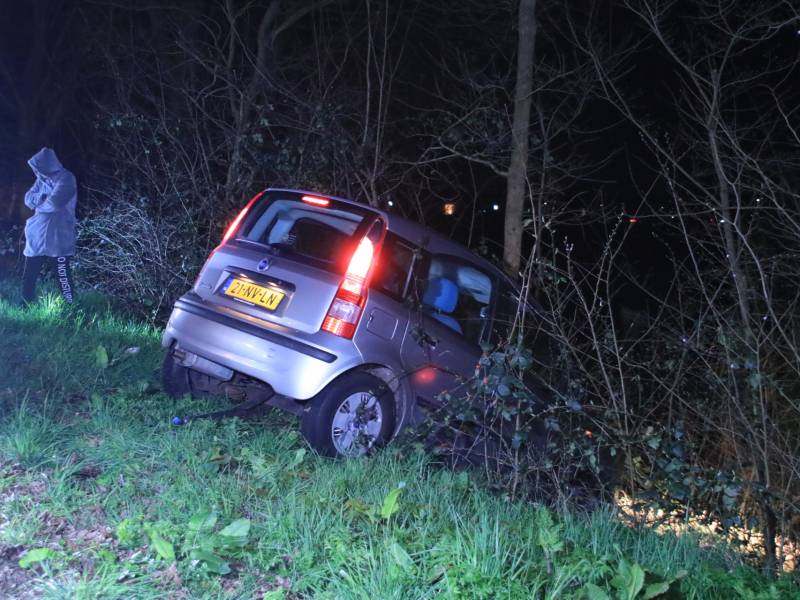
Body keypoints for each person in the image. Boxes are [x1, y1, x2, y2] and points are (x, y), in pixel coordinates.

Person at [22, 147, 77, 305]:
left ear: (46, 164)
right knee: (30, 272)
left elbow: (54, 204)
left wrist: (38, 202)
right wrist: (42, 197)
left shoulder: (66, 178)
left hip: (58, 235)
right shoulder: (42, 179)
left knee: (62, 273)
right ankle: (25, 302)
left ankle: (70, 304)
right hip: (37, 233)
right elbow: (28, 199)